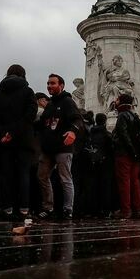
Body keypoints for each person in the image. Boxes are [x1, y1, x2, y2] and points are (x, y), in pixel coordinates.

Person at [34, 74, 83, 220]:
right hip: (48, 148)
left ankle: (68, 209)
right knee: (42, 176)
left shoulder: (68, 101)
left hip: (63, 147)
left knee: (65, 178)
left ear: (61, 85)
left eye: (53, 83)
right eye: (48, 83)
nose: (49, 86)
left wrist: (73, 132)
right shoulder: (50, 104)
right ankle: (48, 207)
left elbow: (78, 119)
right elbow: (42, 123)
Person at [0, 64, 38, 219]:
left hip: (4, 140)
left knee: (6, 175)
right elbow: (30, 115)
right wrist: (15, 132)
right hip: (23, 139)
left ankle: (8, 208)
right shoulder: (28, 91)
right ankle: (24, 209)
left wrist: (4, 134)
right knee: (24, 174)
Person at [111, 93, 140, 218]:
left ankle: (125, 210)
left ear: (121, 101)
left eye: (116, 99)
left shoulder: (122, 115)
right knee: (135, 182)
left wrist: (131, 151)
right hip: (135, 155)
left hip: (124, 154)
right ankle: (138, 209)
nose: (114, 101)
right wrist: (137, 153)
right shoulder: (134, 116)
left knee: (124, 182)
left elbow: (123, 135)